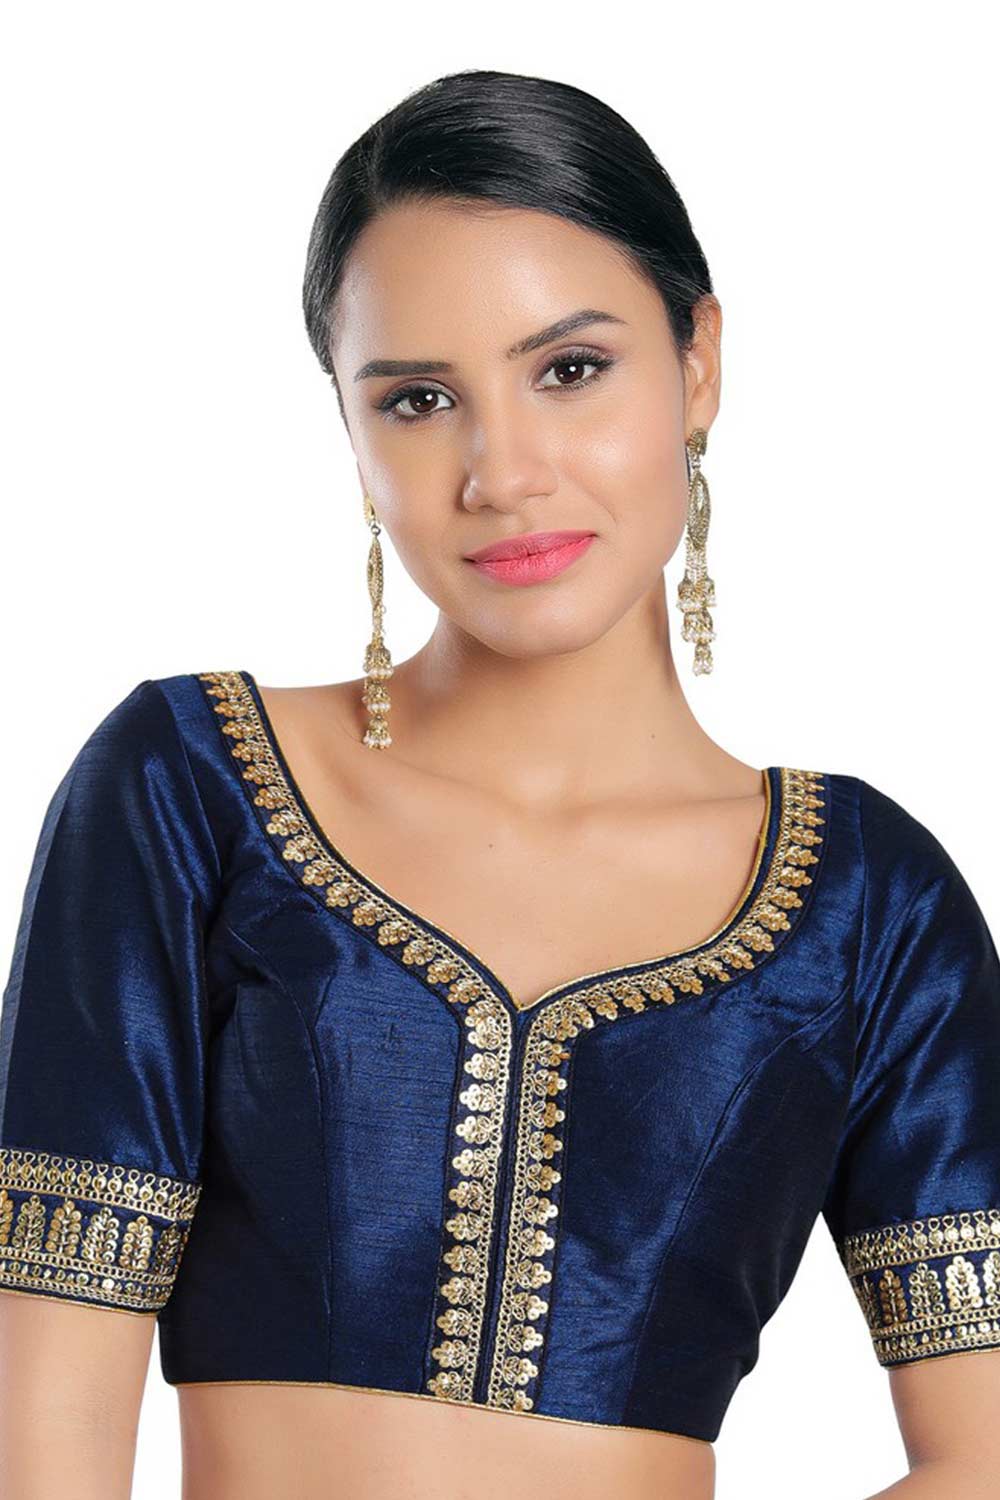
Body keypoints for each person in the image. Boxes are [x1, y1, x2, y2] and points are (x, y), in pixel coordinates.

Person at [2, 67, 999, 1500]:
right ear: (351, 431)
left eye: (570, 370)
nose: (502, 471)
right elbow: (45, 1445)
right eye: (418, 399)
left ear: (698, 365)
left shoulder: (869, 903)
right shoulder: (188, 788)